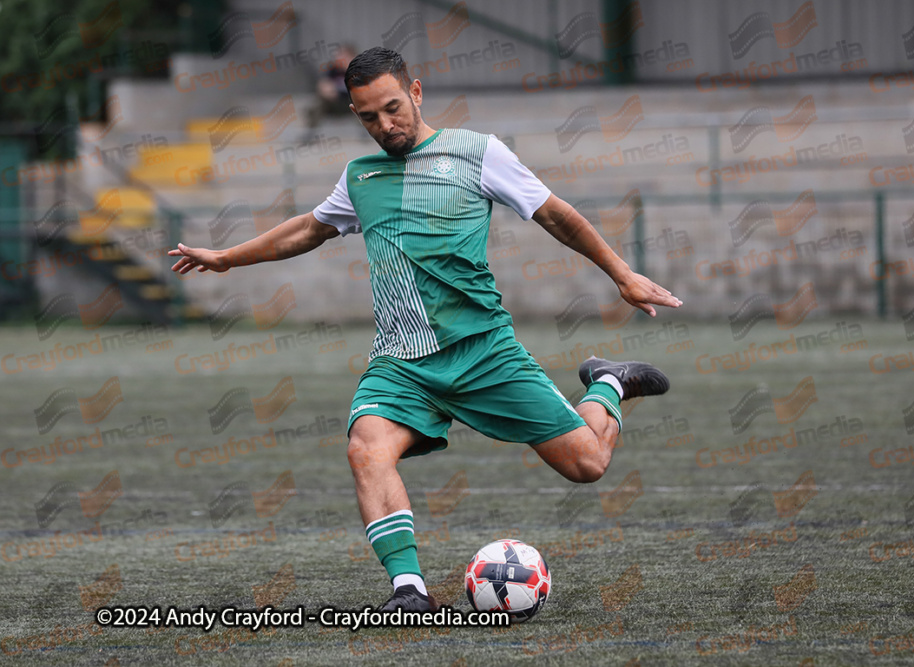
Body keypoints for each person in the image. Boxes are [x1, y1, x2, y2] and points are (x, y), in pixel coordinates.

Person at [169, 46, 682, 613]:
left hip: (483, 351)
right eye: (368, 117)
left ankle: (608, 383)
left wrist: (622, 275)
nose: (384, 125)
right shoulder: (360, 176)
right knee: (367, 448)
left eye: (392, 108)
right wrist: (226, 259)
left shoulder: (478, 152)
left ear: (416, 92)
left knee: (587, 465)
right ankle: (408, 590)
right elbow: (308, 230)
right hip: (402, 363)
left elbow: (555, 213)